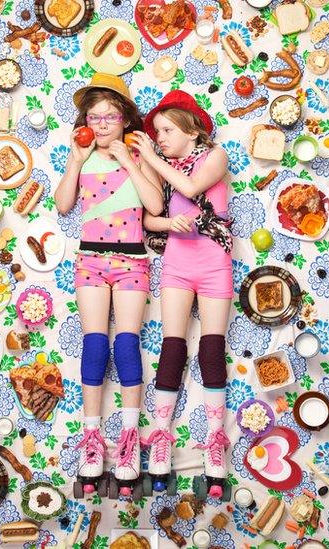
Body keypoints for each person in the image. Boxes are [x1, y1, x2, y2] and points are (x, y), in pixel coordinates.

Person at [53, 73, 163, 497]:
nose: (101, 125)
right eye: (94, 117)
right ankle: (93, 444)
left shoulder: (137, 150)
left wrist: (131, 160)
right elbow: (64, 204)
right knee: (95, 345)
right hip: (90, 261)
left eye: (109, 117)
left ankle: (131, 444)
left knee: (126, 346)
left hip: (133, 259)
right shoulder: (80, 154)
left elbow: (154, 205)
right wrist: (76, 162)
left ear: (124, 119)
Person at [131, 90, 233, 498]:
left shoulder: (216, 156)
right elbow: (148, 219)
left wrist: (152, 159)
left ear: (192, 131)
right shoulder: (160, 166)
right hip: (177, 263)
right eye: (156, 132)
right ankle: (159, 439)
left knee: (211, 347)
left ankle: (214, 445)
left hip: (213, 264)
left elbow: (191, 188)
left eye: (167, 130)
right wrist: (168, 225)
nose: (160, 138)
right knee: (172, 346)